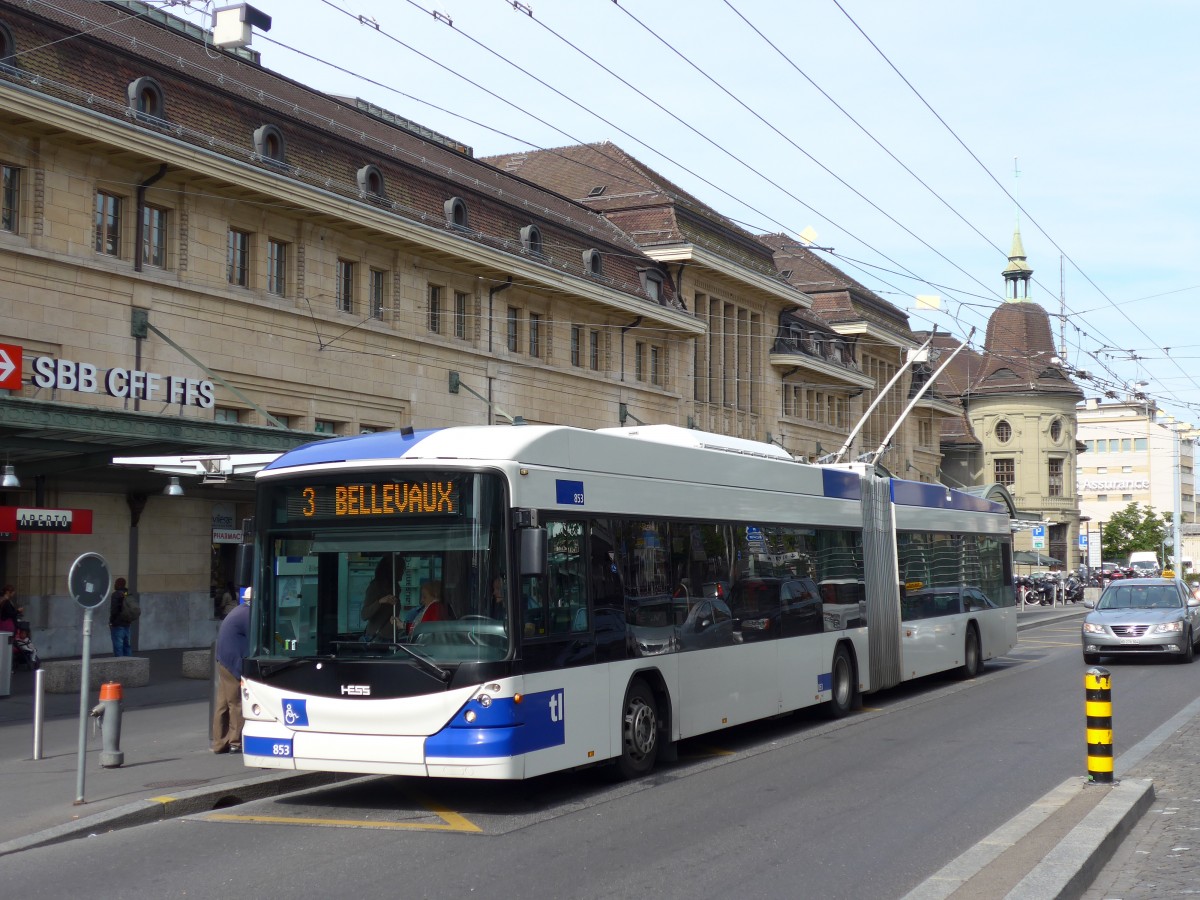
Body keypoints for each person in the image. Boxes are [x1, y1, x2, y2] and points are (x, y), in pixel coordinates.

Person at [212, 588, 251, 754]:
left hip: (224, 660)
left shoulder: (238, 611)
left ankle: (219, 743)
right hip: (232, 661)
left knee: (222, 703)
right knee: (236, 703)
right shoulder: (248, 614)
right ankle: (236, 742)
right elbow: (254, 638)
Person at [361, 555, 405, 640]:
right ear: (392, 570)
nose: (402, 572)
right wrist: (380, 601)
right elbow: (364, 615)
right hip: (378, 637)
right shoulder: (376, 586)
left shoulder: (395, 587)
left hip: (391, 636)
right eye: (400, 569)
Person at [108, 578, 133, 657]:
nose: (114, 584)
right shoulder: (127, 593)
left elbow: (114, 610)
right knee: (127, 646)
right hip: (127, 623)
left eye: (115, 583)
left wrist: (111, 621)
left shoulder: (115, 594)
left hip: (118, 624)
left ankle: (120, 665)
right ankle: (130, 663)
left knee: (118, 647)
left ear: (118, 584)